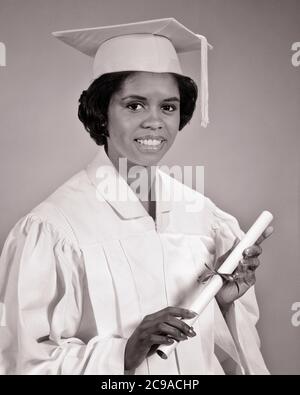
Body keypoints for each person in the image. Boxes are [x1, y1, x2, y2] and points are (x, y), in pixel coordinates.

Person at [0, 18, 273, 375]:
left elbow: (219, 353)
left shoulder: (205, 216)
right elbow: (21, 362)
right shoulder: (53, 228)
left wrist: (220, 303)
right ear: (102, 114)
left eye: (168, 107)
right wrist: (123, 354)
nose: (155, 121)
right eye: (134, 105)